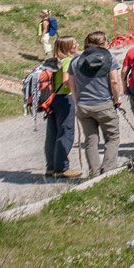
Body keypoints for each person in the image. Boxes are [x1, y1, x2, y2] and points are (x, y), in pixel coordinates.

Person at [69, 31, 123, 177]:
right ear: (103, 43)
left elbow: (71, 85)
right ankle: (108, 170)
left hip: (83, 106)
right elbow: (114, 81)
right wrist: (117, 99)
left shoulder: (75, 61)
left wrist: (77, 101)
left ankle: (94, 172)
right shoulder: (109, 58)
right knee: (112, 137)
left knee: (90, 140)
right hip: (104, 103)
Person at [44, 36, 80, 178]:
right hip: (65, 97)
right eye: (74, 43)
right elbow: (66, 80)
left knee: (52, 134)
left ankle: (51, 167)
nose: (77, 44)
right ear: (68, 47)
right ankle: (62, 168)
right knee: (66, 132)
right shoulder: (67, 61)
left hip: (52, 98)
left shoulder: (52, 61)